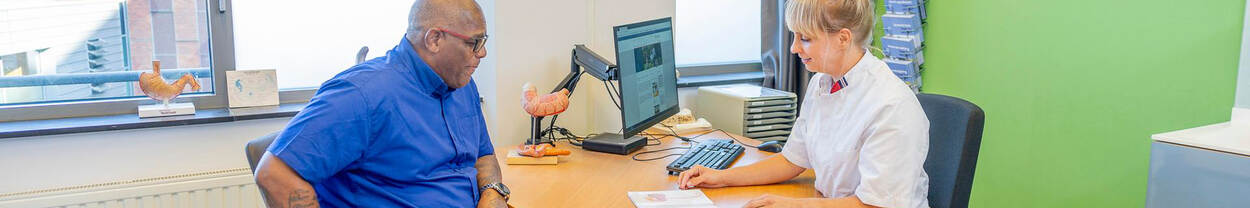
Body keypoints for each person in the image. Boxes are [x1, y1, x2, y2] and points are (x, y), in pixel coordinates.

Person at [252, 0, 507, 207]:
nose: (482, 52)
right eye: (474, 42)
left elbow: (483, 155)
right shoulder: (361, 94)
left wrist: (492, 193)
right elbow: (274, 174)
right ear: (434, 40)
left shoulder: (463, 84)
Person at [677, 0, 931, 207]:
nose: (793, 48)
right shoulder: (822, 82)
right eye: (795, 36)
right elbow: (793, 160)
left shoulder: (891, 106)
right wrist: (720, 177)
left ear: (843, 39)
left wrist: (792, 205)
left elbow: (876, 204)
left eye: (806, 38)